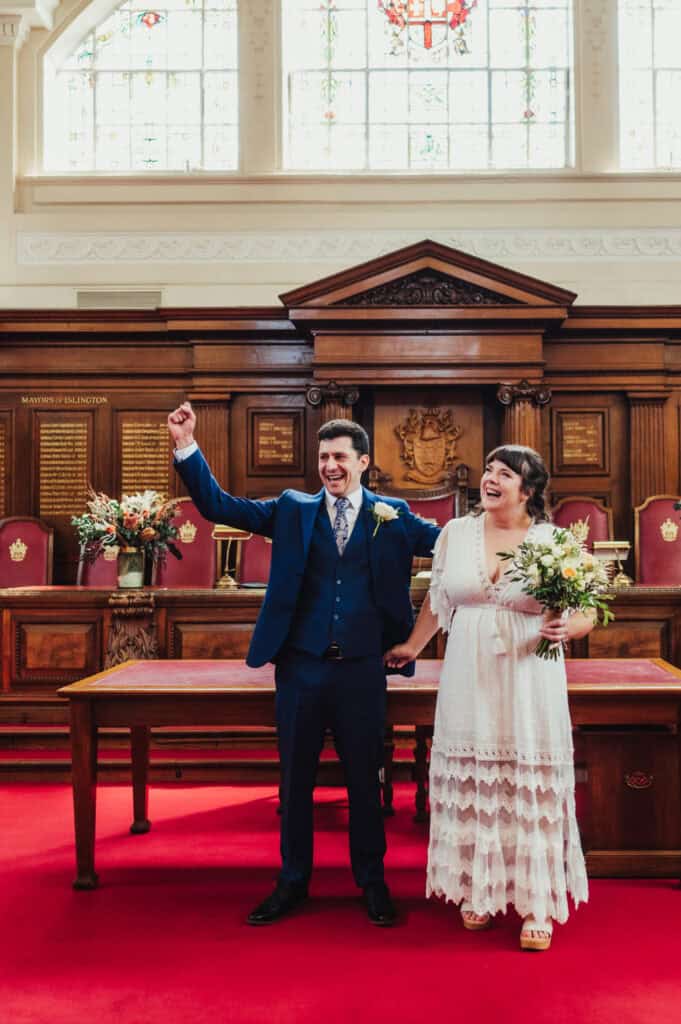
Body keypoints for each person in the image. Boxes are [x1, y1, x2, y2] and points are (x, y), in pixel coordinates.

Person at [167, 402, 440, 926]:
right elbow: (221, 506)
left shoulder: (395, 516)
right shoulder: (292, 508)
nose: (330, 466)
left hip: (363, 669)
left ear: (363, 462)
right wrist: (186, 445)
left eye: (340, 457)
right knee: (296, 781)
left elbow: (455, 544)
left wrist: (521, 534)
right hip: (301, 668)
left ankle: (373, 881)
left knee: (365, 779)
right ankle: (292, 881)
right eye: (323, 458)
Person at [385, 445, 593, 951]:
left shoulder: (553, 540)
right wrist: (411, 646)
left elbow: (587, 607)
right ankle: (479, 887)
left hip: (528, 676)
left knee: (527, 783)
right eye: (489, 470)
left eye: (505, 473)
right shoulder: (455, 534)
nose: (491, 479)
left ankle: (536, 902)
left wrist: (571, 626)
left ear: (529, 490)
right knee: (477, 774)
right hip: (468, 673)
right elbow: (438, 602)